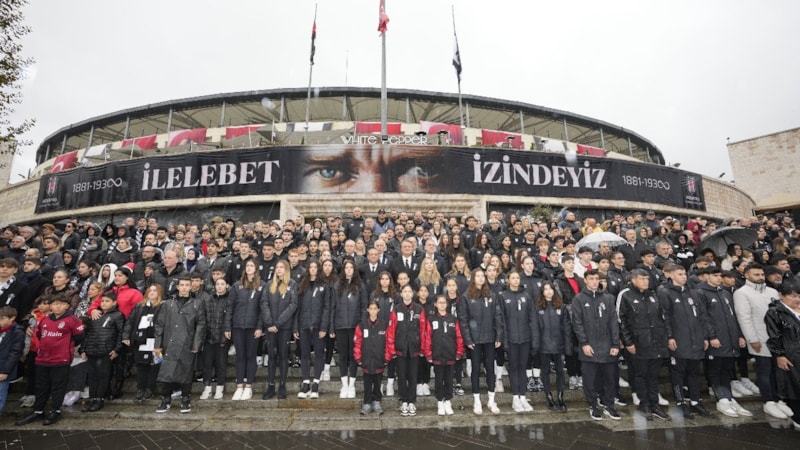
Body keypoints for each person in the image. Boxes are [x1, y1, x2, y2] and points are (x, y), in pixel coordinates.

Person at [15, 293, 85, 426]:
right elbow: (41, 335)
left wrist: (64, 347)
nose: (57, 307)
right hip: (42, 359)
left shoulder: (73, 320)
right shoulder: (45, 320)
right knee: (41, 386)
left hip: (61, 359)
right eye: (54, 304)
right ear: (51, 306)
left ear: (66, 305)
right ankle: (38, 411)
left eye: (60, 304)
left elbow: (79, 338)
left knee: (58, 387)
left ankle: (56, 411)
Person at [657, 263, 714, 419]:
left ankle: (695, 401)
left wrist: (705, 336)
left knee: (694, 371)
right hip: (679, 339)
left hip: (696, 339)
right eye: (680, 274)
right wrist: (670, 337)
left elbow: (702, 316)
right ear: (671, 275)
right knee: (678, 372)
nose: (683, 277)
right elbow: (665, 317)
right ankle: (681, 402)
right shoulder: (665, 293)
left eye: (684, 274)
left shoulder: (694, 293)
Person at [733, 263, 787, 419]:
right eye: (756, 275)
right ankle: (768, 401)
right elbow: (744, 318)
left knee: (777, 371)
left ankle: (777, 399)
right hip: (759, 338)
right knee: (764, 371)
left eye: (762, 274)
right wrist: (752, 339)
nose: (760, 277)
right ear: (747, 275)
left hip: (777, 338)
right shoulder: (742, 293)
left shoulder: (772, 291)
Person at [696, 267, 752, 418]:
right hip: (716, 339)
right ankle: (722, 399)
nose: (719, 278)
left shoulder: (725, 292)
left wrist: (739, 335)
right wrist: (711, 336)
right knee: (715, 369)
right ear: (707, 276)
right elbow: (703, 318)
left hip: (730, 339)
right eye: (715, 275)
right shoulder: (701, 293)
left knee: (727, 369)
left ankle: (729, 398)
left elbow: (733, 316)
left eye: (720, 275)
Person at [619, 269, 671, 421]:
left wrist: (664, 338)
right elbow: (621, 320)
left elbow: (662, 318)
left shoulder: (653, 295)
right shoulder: (626, 295)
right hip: (638, 343)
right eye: (642, 279)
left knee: (654, 376)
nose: (645, 282)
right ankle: (645, 404)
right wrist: (628, 342)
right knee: (640, 375)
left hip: (656, 342)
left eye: (647, 279)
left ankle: (654, 404)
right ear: (633, 280)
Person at [571, 270, 621, 420]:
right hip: (589, 346)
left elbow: (613, 322)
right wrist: (584, 343)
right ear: (585, 280)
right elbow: (577, 323)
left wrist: (615, 344)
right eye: (591, 278)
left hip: (607, 346)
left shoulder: (608, 298)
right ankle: (593, 405)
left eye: (596, 279)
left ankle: (609, 405)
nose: (594, 281)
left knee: (610, 378)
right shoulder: (579, 299)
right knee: (590, 379)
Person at [154, 276, 206, 414]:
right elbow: (159, 325)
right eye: (181, 285)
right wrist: (157, 344)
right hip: (169, 343)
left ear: (191, 287)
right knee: (166, 372)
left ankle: (185, 398)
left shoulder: (197, 303)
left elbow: (201, 325)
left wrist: (196, 344)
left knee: (186, 372)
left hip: (187, 344)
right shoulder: (167, 304)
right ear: (177, 286)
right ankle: (165, 399)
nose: (184, 287)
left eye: (187, 285)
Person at [459, 269, 502, 415]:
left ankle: (491, 400)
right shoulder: (466, 296)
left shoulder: (492, 295)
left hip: (489, 338)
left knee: (490, 369)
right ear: (473, 278)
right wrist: (468, 339)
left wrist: (498, 336)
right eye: (478, 276)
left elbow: (498, 317)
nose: (480, 278)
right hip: (475, 341)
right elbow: (463, 320)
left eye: (482, 276)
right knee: (476, 370)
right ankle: (476, 401)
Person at [497, 271, 538, 413]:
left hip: (525, 338)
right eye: (512, 277)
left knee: (523, 367)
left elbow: (532, 318)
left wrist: (534, 338)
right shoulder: (503, 296)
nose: (515, 280)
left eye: (517, 278)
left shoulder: (526, 296)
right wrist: (505, 340)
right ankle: (515, 397)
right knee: (514, 367)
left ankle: (523, 396)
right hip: (512, 338)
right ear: (508, 280)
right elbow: (501, 320)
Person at [224, 259, 265, 401]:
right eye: (247, 266)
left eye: (252, 266)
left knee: (250, 356)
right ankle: (239, 385)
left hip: (253, 327)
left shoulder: (262, 286)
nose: (249, 268)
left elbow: (262, 309)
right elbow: (230, 307)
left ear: (256, 268)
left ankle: (249, 386)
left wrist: (260, 326)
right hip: (237, 326)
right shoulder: (237, 285)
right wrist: (227, 326)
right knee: (240, 356)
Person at [79, 292, 124, 412]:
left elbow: (121, 333)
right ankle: (92, 398)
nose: (104, 303)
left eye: (107, 301)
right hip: (92, 350)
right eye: (102, 301)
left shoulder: (118, 315)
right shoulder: (94, 315)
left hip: (106, 351)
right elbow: (87, 334)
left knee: (103, 375)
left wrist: (117, 349)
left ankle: (100, 399)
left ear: (114, 303)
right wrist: (83, 349)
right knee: (92, 376)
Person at [387, 284, 427, 417]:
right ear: (401, 294)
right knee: (402, 375)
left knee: (413, 375)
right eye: (405, 291)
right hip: (400, 348)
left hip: (414, 348)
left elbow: (423, 330)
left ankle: (412, 401)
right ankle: (404, 400)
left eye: (410, 291)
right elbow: (391, 330)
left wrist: (422, 347)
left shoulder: (419, 309)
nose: (408, 294)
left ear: (413, 294)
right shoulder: (396, 309)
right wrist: (392, 348)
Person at [330, 259, 367, 399]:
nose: (349, 270)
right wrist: (331, 326)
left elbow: (364, 307)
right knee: (343, 356)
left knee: (353, 356)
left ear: (354, 270)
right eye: (347, 268)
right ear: (343, 270)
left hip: (355, 326)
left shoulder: (360, 286)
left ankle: (352, 385)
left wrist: (362, 325)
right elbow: (332, 307)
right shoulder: (337, 285)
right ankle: (344, 384)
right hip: (340, 326)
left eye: (352, 267)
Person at [765, 281, 800, 428]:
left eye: (799, 295)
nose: (797, 299)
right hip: (790, 355)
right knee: (795, 386)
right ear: (782, 295)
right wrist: (779, 355)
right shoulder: (775, 313)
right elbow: (774, 336)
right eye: (792, 296)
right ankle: (798, 418)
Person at [423, 294, 465, 416]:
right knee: (438, 379)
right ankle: (440, 401)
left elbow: (458, 337)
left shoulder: (453, 319)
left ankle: (448, 400)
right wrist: (428, 353)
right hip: (437, 355)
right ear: (435, 304)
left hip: (450, 354)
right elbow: (427, 337)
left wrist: (459, 351)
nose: (442, 305)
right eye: (439, 302)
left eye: (444, 302)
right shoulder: (431, 319)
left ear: (447, 305)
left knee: (448, 379)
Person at [294, 260, 331, 399]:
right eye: (311, 267)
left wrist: (324, 327)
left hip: (318, 326)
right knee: (304, 355)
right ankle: (305, 383)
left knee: (319, 354)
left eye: (315, 267)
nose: (313, 269)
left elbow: (327, 308)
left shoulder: (324, 286)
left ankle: (315, 383)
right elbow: (297, 307)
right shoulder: (302, 285)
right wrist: (295, 327)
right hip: (303, 325)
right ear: (308, 269)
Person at [262, 259, 298, 399]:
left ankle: (282, 385)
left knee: (283, 356)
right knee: (271, 356)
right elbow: (264, 303)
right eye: (277, 267)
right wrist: (270, 322)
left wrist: (278, 323)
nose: (279, 269)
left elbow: (293, 305)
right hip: (270, 327)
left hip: (284, 327)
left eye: (282, 267)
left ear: (287, 269)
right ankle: (270, 386)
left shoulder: (292, 284)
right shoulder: (269, 285)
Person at [536, 281, 572, 412]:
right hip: (544, 346)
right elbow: (535, 328)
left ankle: (561, 397)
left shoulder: (561, 307)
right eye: (545, 289)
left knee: (560, 372)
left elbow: (567, 328)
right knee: (545, 371)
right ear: (542, 292)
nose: (548, 291)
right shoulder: (538, 307)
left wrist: (568, 346)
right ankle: (549, 397)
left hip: (559, 345)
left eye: (550, 288)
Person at [123, 284, 163, 403]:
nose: (152, 293)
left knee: (154, 364)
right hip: (140, 340)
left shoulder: (163, 306)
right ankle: (141, 388)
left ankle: (150, 388)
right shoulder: (139, 306)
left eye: (155, 291)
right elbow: (130, 322)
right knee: (141, 365)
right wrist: (126, 336)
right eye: (149, 290)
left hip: (156, 341)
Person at [354, 300, 392, 415]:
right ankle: (366, 403)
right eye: (371, 308)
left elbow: (389, 342)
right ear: (368, 310)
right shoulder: (362, 325)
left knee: (377, 382)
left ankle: (376, 401)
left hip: (379, 359)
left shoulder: (384, 325)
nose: (373, 311)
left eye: (375, 308)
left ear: (378, 310)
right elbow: (357, 343)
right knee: (367, 383)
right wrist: (358, 357)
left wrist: (386, 357)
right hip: (366, 359)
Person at [200, 278, 230, 401]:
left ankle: (219, 388)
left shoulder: (229, 300)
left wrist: (225, 336)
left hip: (223, 337)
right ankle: (207, 388)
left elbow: (229, 318)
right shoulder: (207, 299)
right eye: (217, 284)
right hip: (208, 337)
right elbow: (203, 318)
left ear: (226, 286)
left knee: (221, 364)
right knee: (207, 364)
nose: (220, 286)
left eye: (222, 284)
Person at [0, 306, 25, 417]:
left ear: (12, 318)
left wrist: (5, 371)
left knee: (1, 393)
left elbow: (15, 353)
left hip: (3, 368)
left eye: (2, 318)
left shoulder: (17, 332)